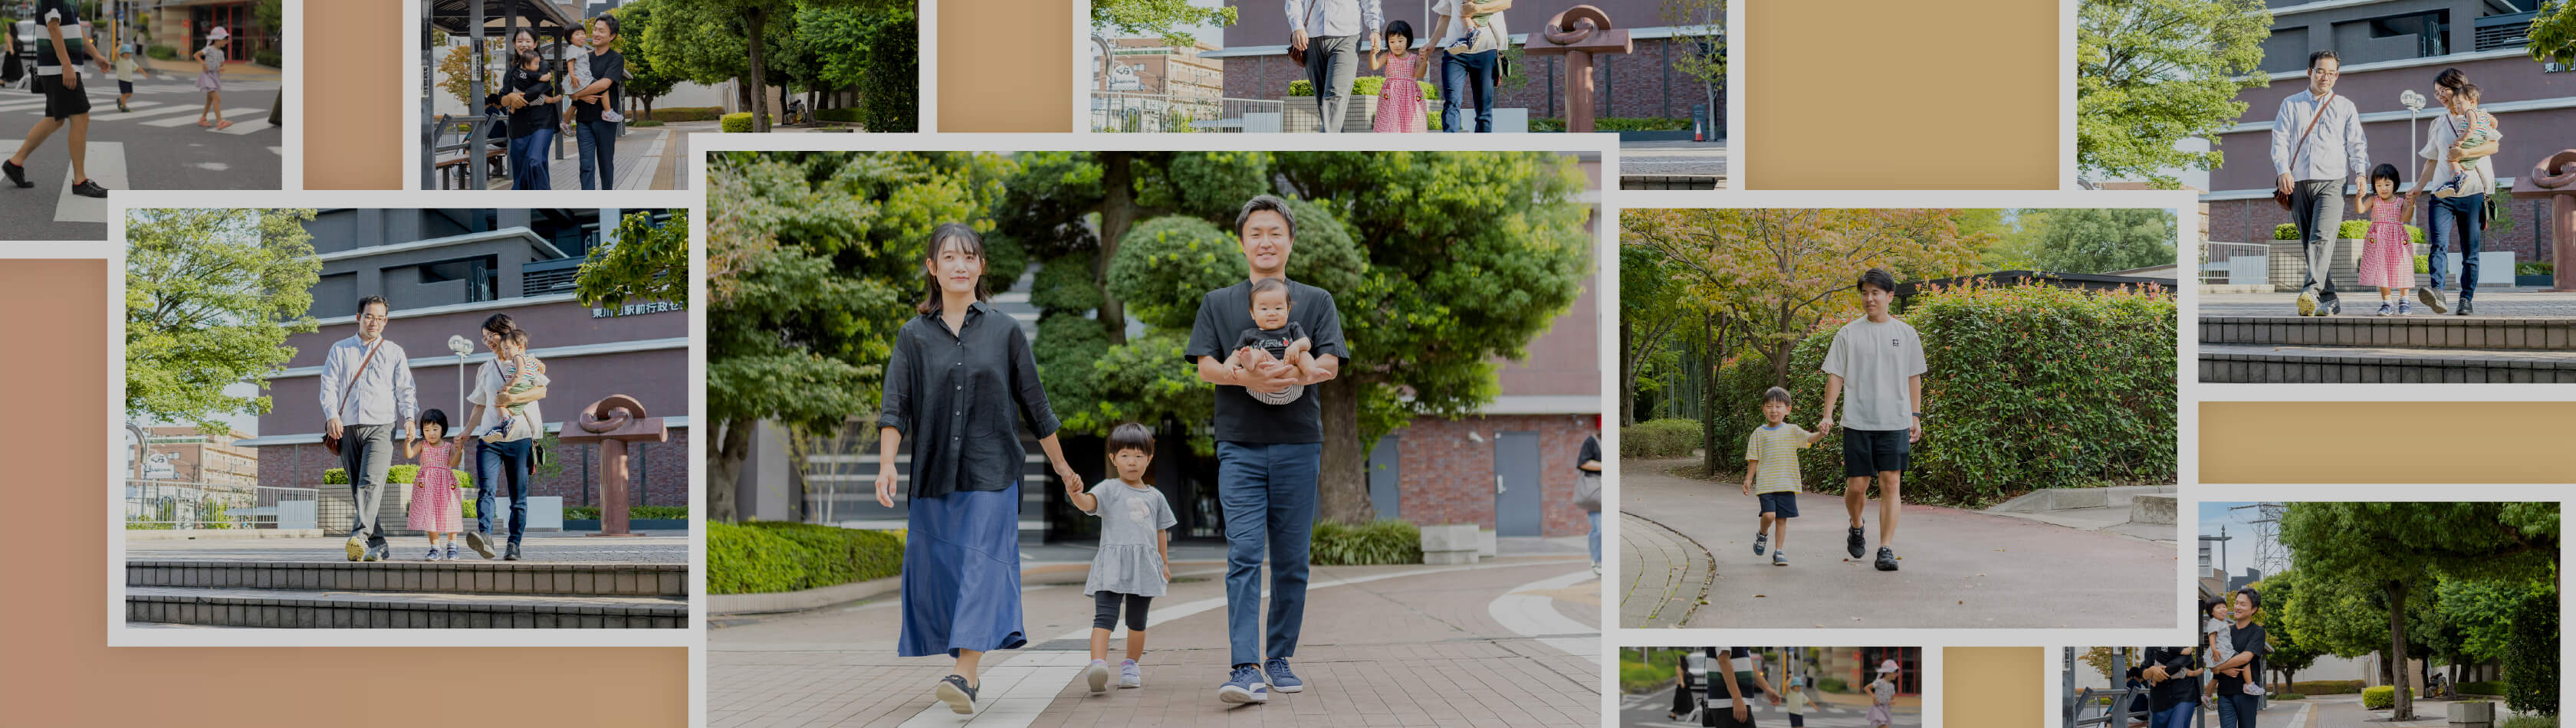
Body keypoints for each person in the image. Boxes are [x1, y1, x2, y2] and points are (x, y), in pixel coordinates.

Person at [873, 223, 1086, 715]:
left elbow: (1036, 405)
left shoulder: (1005, 330)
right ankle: (962, 663)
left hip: (993, 471)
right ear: (932, 267)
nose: (960, 265)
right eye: (949, 257)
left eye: (970, 257)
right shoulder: (912, 336)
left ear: (981, 267)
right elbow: (895, 406)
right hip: (933, 473)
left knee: (979, 565)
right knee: (944, 571)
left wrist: (1062, 467)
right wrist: (887, 464)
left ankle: (965, 674)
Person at [1184, 195, 1349, 704]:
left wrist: (1300, 369)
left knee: (1293, 559)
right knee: (1245, 555)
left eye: (1275, 231)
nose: (1265, 241)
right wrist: (1241, 373)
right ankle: (1244, 666)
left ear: (1291, 241)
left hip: (1300, 443)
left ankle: (1278, 657)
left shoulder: (1316, 301)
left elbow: (1332, 363)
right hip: (1239, 444)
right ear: (1242, 242)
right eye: (1255, 232)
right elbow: (1205, 366)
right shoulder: (1218, 302)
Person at [1817, 267, 1924, 572]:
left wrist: (1915, 415)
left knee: (1891, 483)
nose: (1869, 298)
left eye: (1875, 293)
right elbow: (1835, 376)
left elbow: (1913, 376)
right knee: (1857, 487)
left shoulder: (1906, 334)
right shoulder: (1848, 333)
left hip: (1895, 421)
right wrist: (1828, 413)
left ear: (1889, 296)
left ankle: (1886, 547)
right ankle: (1856, 523)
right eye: (1864, 293)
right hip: (1858, 422)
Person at [1070, 423, 1177, 694]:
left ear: (1150, 459)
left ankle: (1131, 665)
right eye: (1126, 455)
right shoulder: (1108, 488)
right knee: (1103, 618)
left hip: (1144, 567)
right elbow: (1088, 505)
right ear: (1113, 458)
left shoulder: (1156, 497)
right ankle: (1098, 665)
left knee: (1137, 622)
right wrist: (1076, 495)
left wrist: (1164, 563)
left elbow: (1160, 530)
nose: (1132, 462)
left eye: (1139, 456)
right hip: (1112, 566)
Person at [319, 295, 419, 562]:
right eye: (369, 316)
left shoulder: (394, 351)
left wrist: (409, 417)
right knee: (357, 488)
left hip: (382, 425)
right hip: (347, 425)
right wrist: (331, 415)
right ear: (358, 318)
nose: (374, 322)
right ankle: (379, 544)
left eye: (380, 318)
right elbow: (328, 385)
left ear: (386, 321)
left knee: (370, 483)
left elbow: (405, 388)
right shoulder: (340, 349)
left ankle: (359, 537)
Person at [2272, 50, 2369, 317]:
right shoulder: (2291, 104)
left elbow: (2356, 143)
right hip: (2298, 181)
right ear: (2309, 72)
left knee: (2321, 238)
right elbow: (2279, 141)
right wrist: (2283, 170)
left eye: (2331, 72)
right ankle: (2330, 298)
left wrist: (2361, 172)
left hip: (2333, 181)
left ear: (2337, 76)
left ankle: (2310, 293)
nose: (2325, 76)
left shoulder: (2345, 106)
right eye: (2320, 71)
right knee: (2309, 243)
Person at [2410, 71, 2499, 316]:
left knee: (2470, 250)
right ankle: (2437, 292)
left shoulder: (2482, 117)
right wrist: (2418, 188)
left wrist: (2463, 155)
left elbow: (2494, 146)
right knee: (2438, 244)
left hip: (2471, 193)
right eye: (2436, 92)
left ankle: (2466, 299)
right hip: (2442, 194)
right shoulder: (2437, 123)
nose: (2439, 96)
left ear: (2458, 88)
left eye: (2443, 91)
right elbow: (2431, 161)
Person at [7, 0, 113, 198]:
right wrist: (66, 66)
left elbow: (76, 27)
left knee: (55, 119)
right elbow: (53, 28)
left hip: (62, 67)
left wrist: (96, 55)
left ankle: (15, 162)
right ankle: (80, 181)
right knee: (81, 117)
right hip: (59, 68)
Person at [466, 314, 546, 562]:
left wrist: (511, 399)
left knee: (517, 496)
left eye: (492, 335)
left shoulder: (529, 362)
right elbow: (480, 406)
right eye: (485, 337)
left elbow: (541, 391)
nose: (488, 341)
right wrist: (465, 432)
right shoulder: (485, 369)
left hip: (519, 436)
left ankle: (514, 544)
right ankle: (486, 537)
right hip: (489, 440)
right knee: (486, 489)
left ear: (507, 335)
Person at [1746, 386, 1829, 567]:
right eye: (1769, 406)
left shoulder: (1792, 430)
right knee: (1769, 515)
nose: (1774, 411)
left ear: (1788, 409)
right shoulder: (1759, 433)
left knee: (1782, 519)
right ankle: (1762, 534)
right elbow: (1754, 458)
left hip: (1786, 483)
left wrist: (1821, 434)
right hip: (1767, 484)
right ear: (1763, 409)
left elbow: (1809, 439)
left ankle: (1779, 551)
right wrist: (1748, 479)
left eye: (1778, 407)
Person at [1221, 277, 1323, 405]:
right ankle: (1250, 363)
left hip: (1291, 383)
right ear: (1252, 313)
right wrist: (1229, 365)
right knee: (1255, 353)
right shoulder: (1249, 334)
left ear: (1288, 311)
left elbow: (1307, 343)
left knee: (1302, 353)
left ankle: (1311, 371)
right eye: (1264, 309)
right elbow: (1235, 355)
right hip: (1259, 382)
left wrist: (1296, 346)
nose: (1271, 313)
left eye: (1278, 308)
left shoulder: (1293, 328)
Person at [1286, 0, 1382, 133]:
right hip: (1312, 38)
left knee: (1335, 94)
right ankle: (1338, 151)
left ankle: (1323, 148)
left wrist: (1375, 29)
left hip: (1347, 36)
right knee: (1324, 103)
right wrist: (1297, 27)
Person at [567, 15, 629, 190]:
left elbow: (605, 83)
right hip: (584, 121)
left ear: (612, 36)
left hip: (605, 122)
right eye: (594, 29)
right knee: (586, 166)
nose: (595, 33)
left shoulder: (616, 59)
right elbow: (569, 88)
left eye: (601, 31)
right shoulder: (583, 58)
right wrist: (578, 96)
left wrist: (579, 94)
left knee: (605, 165)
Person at [1431, 0, 1507, 133]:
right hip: (1455, 51)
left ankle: (1482, 151)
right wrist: (1432, 43)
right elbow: (1445, 14)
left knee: (1484, 110)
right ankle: (1449, 151)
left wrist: (1477, 8)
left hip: (1485, 49)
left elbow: (1506, 3)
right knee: (1451, 103)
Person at [496, 34, 560, 191]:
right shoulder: (511, 72)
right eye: (520, 41)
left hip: (543, 122)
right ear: (514, 44)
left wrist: (520, 98)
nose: (524, 44)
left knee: (534, 161)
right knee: (521, 167)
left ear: (535, 43)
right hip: (518, 126)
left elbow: (540, 88)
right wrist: (510, 97)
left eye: (528, 41)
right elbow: (502, 98)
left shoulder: (543, 65)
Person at [403, 409, 467, 561]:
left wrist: (459, 451)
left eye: (435, 429)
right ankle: (435, 548)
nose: (431, 433)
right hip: (427, 486)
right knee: (429, 515)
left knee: (451, 512)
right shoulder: (422, 445)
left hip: (446, 485)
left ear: (442, 429)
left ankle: (452, 545)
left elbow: (454, 463)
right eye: (427, 430)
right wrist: (407, 442)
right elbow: (409, 455)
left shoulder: (448, 446)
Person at [2356, 163, 2418, 316]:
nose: (2383, 188)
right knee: (2381, 270)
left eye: (2387, 184)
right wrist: (2358, 197)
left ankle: (2404, 300)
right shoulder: (2373, 200)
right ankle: (2387, 302)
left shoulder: (2400, 202)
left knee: (2402, 267)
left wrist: (2412, 205)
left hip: (2398, 239)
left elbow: (2406, 218)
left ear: (2394, 184)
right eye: (2379, 185)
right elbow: (2360, 210)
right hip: (2379, 241)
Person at [2210, 588, 2272, 728]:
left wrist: (2220, 667)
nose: (2237, 607)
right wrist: (2217, 667)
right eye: (2236, 603)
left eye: (2242, 604)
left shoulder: (2258, 632)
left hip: (2247, 696)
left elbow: (2245, 658)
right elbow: (2211, 659)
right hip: (2225, 693)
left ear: (2254, 609)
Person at [2430, 84, 2499, 199]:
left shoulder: (2469, 112)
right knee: (2461, 162)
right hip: (2478, 140)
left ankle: (2459, 176)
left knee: (2452, 156)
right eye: (2455, 104)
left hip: (2471, 140)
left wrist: (2461, 140)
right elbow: (2494, 122)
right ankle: (2455, 182)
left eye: (2459, 104)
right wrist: (2491, 126)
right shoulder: (2483, 114)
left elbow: (2471, 128)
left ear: (2471, 102)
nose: (2457, 107)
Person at [481, 330, 549, 440]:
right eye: (503, 350)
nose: (505, 352)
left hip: (519, 386)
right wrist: (539, 369)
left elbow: (519, 373)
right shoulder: (531, 359)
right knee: (509, 407)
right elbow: (542, 367)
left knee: (499, 401)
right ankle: (504, 424)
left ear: (519, 347)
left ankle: (505, 421)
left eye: (507, 349)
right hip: (526, 386)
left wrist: (509, 385)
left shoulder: (517, 357)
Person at [1368, 19, 1428, 133]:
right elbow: (1374, 66)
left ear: (1408, 40)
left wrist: (1424, 63)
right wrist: (1372, 54)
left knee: (1410, 121)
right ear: (1388, 42)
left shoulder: (1414, 58)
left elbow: (1420, 74)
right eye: (1392, 42)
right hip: (1391, 96)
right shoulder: (1387, 56)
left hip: (1409, 96)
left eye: (1400, 41)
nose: (1397, 45)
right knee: (1390, 121)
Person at [1704, 647, 1779, 728]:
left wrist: (1766, 688)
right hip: (1729, 702)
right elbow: (1723, 660)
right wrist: (1737, 699)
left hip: (1734, 702)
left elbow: (1747, 661)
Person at [2140, 644, 2203, 728]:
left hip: (2184, 694)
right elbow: (2143, 672)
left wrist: (2163, 671)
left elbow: (2184, 659)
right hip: (2160, 701)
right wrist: (2152, 670)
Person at [1577, 418, 1603, 574]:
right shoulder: (1591, 442)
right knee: (1599, 528)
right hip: (1595, 492)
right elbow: (1583, 463)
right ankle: (1597, 559)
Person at [192, 27, 231, 130]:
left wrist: (221, 69)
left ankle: (203, 118)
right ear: (217, 39)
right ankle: (220, 121)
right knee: (217, 99)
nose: (226, 42)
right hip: (207, 76)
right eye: (225, 39)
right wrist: (203, 63)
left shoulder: (221, 53)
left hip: (215, 77)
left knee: (210, 100)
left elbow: (221, 65)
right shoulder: (209, 49)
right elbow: (196, 55)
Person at [1867, 661, 1900, 728]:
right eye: (1895, 672)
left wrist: (1892, 701)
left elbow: (1892, 698)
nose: (1897, 675)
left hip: (1886, 709)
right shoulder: (1879, 682)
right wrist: (1874, 697)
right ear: (1888, 672)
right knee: (1884, 726)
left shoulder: (1891, 686)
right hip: (1878, 708)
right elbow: (1867, 688)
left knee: (1881, 726)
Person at [112, 45, 140, 113]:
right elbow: (116, 53)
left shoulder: (130, 60)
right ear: (122, 53)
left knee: (130, 94)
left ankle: (120, 101)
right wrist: (120, 45)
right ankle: (123, 107)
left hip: (129, 79)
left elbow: (136, 67)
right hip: (122, 79)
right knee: (124, 94)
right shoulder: (119, 59)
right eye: (126, 53)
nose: (128, 55)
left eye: (129, 53)